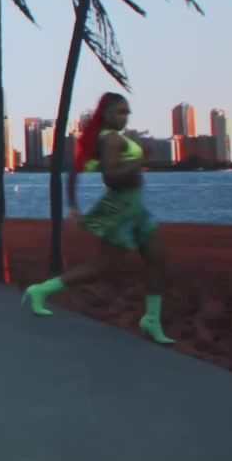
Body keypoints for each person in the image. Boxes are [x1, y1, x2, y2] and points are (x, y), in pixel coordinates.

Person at [22, 91, 175, 345]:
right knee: (103, 266)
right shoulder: (111, 139)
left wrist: (72, 204)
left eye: (127, 112)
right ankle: (41, 290)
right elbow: (110, 177)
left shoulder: (110, 138)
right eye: (120, 112)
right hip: (123, 209)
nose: (124, 117)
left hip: (136, 208)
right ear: (106, 114)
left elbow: (75, 171)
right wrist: (140, 161)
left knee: (156, 259)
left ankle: (151, 319)